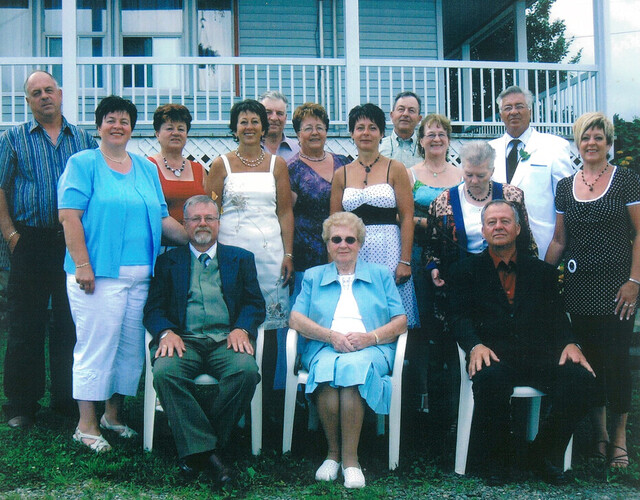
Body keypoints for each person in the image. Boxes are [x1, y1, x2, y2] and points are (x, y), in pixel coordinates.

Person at [58, 95, 187, 452]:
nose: (118, 125)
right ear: (99, 126)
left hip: (141, 275)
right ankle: (85, 425)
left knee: (129, 349)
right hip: (97, 275)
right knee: (96, 347)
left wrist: (196, 238)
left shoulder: (145, 168)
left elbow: (162, 220)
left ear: (132, 127)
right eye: (110, 119)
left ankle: (113, 416)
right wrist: (83, 264)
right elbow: (69, 216)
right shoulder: (83, 163)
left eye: (125, 120)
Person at [448, 200, 596, 484]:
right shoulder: (464, 271)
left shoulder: (543, 272)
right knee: (490, 378)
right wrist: (475, 346)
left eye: (505, 221)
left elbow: (556, 316)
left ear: (517, 228)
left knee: (583, 380)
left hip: (536, 355)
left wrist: (570, 342)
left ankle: (541, 454)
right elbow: (458, 318)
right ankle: (500, 460)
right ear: (483, 230)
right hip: (492, 355)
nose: (498, 226)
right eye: (492, 222)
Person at [143, 195, 265, 484]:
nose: (202, 224)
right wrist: (165, 332)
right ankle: (213, 456)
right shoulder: (167, 262)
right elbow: (153, 307)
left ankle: (196, 449)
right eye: (195, 219)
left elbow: (254, 303)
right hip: (183, 339)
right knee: (165, 372)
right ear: (184, 224)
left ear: (218, 223)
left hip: (227, 339)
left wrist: (242, 328)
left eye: (209, 218)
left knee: (246, 372)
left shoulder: (241, 258)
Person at [0, 70, 98, 429]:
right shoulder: (12, 140)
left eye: (48, 90)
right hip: (31, 239)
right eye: (35, 93)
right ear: (28, 101)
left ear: (60, 93)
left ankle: (68, 400)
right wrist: (12, 235)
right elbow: (0, 188)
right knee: (27, 322)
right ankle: (22, 404)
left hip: (73, 242)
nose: (44, 97)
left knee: (71, 322)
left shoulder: (85, 140)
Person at [545, 112, 640, 469]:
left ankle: (619, 438)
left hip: (618, 290)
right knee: (590, 363)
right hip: (579, 289)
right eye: (585, 137)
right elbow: (558, 239)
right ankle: (598, 435)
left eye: (598, 137)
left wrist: (634, 282)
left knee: (616, 363)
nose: (591, 143)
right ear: (577, 142)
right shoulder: (565, 186)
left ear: (608, 142)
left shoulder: (626, 180)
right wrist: (540, 279)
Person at [289, 212, 407, 489]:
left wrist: (371, 338)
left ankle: (350, 460)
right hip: (325, 345)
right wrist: (330, 336)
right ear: (327, 244)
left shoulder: (379, 274)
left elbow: (400, 320)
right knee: (329, 368)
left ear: (360, 244)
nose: (343, 245)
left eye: (350, 240)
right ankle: (332, 454)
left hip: (371, 346)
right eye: (336, 239)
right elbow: (295, 318)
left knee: (352, 368)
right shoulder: (313, 276)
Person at [206, 98, 293, 427]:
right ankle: (235, 406)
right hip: (231, 257)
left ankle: (269, 403)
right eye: (243, 121)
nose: (250, 127)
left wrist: (288, 253)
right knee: (234, 324)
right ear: (234, 127)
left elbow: (284, 210)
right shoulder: (221, 165)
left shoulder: (276, 166)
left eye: (255, 121)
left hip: (271, 258)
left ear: (264, 126)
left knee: (270, 331)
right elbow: (211, 213)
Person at [330, 103, 419, 329]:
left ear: (381, 133)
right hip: (353, 251)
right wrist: (333, 263)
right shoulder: (341, 174)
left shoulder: (395, 168)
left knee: (392, 315)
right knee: (356, 314)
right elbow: (333, 224)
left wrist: (405, 261)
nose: (366, 133)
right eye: (360, 128)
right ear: (352, 133)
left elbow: (407, 217)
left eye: (372, 127)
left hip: (389, 250)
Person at [407, 114, 462, 414]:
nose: (437, 138)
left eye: (442, 133)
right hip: (418, 256)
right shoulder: (410, 174)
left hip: (453, 257)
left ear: (449, 139)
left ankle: (450, 398)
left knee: (450, 325)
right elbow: (402, 216)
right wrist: (434, 224)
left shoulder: (461, 174)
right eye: (430, 134)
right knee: (423, 324)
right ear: (421, 140)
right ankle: (422, 397)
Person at [423, 140, 536, 285]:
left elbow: (526, 241)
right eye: (469, 175)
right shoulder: (442, 202)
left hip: (506, 278)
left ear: (492, 171)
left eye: (481, 175)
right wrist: (433, 268)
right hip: (461, 281)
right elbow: (430, 246)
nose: (474, 181)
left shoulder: (512, 196)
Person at [488, 85, 575, 257]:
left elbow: (567, 201)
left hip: (543, 247)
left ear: (530, 110)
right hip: (498, 249)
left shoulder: (555, 146)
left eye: (519, 106)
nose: (514, 112)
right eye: (508, 108)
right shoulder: (488, 150)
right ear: (501, 115)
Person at [288, 102, 349, 293]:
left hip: (343, 249)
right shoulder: (291, 169)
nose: (315, 133)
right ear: (298, 134)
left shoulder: (344, 162)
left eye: (319, 128)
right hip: (306, 256)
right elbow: (286, 214)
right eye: (308, 128)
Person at [148, 104, 205, 223]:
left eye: (181, 129)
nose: (176, 133)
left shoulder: (199, 169)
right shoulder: (148, 166)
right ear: (157, 134)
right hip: (160, 240)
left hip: (196, 239)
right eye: (169, 128)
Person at [379, 91, 423, 168]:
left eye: (411, 110)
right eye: (401, 109)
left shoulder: (426, 149)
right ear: (392, 115)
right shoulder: (379, 147)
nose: (405, 114)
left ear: (419, 119)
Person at [260, 90, 300, 162]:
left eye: (279, 113)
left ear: (285, 118)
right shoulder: (249, 150)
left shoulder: (298, 150)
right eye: (268, 112)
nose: (274, 118)